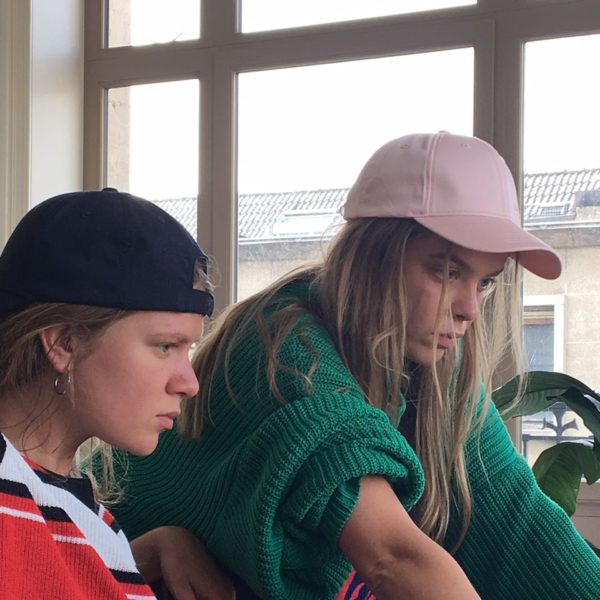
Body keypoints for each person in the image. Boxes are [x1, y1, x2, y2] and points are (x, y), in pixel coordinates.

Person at [108, 133, 600, 599]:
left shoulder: (438, 366)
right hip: (103, 568)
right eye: (447, 271)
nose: (470, 308)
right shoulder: (286, 350)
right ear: (373, 257)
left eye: (485, 282)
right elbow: (393, 558)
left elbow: (520, 522)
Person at [0, 188, 235, 599]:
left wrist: (147, 552)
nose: (189, 382)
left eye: (189, 348)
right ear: (64, 344)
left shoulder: (71, 510)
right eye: (165, 346)